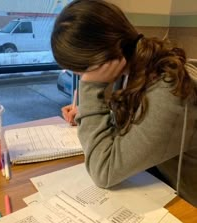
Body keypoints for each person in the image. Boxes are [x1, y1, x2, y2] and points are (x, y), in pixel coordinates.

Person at [51, 0, 197, 206]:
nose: (80, 76)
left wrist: (91, 89)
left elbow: (104, 171)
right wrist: (86, 112)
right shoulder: (133, 71)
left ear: (104, 58)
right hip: (155, 184)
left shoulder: (167, 90)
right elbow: (129, 129)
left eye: (81, 70)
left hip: (186, 205)